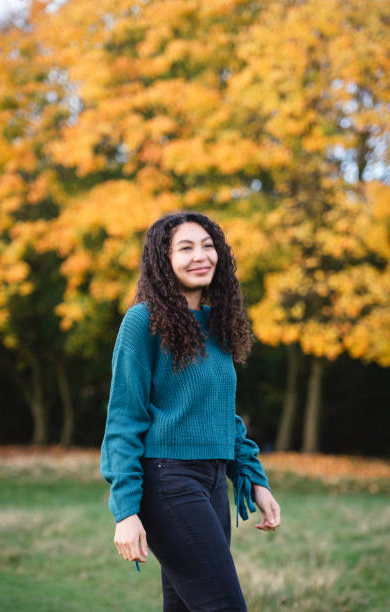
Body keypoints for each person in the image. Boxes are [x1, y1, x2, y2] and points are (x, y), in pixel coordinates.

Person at [100, 211, 281, 611]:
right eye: (185, 247)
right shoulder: (142, 321)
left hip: (214, 483)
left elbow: (223, 415)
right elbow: (123, 419)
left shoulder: (217, 324)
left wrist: (253, 480)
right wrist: (125, 511)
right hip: (168, 481)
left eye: (208, 245)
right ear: (163, 260)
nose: (201, 256)